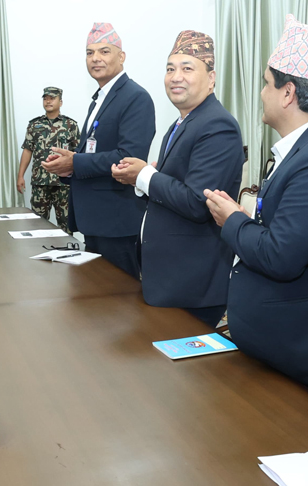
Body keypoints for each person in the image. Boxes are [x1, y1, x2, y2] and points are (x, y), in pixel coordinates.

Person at [204, 15, 308, 389]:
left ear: (288, 93)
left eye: (267, 83)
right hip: (279, 342)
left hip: (307, 349)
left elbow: (280, 255)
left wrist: (232, 219)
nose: (262, 93)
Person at [111, 30, 244, 326]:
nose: (176, 77)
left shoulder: (217, 125)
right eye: (170, 69)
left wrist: (145, 175)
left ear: (211, 78)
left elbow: (198, 202)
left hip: (192, 282)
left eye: (187, 68)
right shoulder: (181, 123)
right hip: (170, 276)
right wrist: (142, 179)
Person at [41, 22, 156, 278]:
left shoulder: (136, 97)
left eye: (104, 51)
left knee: (117, 296)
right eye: (89, 52)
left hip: (116, 221)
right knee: (93, 295)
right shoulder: (100, 99)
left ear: (121, 57)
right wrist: (68, 166)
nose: (95, 58)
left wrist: (75, 162)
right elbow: (94, 152)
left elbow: (128, 158)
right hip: (95, 220)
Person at [17, 87, 79, 233]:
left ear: (60, 102)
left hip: (63, 183)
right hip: (40, 182)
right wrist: (20, 176)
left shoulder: (70, 125)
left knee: (66, 224)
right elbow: (27, 150)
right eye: (45, 98)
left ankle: (66, 248)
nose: (48, 101)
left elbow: (77, 153)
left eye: (52, 98)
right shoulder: (34, 125)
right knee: (37, 224)